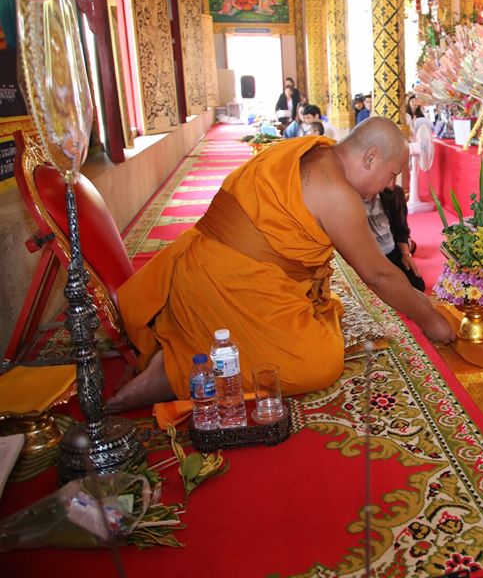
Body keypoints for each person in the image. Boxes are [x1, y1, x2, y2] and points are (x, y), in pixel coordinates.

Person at [108, 117, 455, 412]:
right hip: (227, 281)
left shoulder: (309, 149)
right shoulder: (337, 192)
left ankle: (184, 330)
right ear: (370, 158)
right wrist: (430, 320)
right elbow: (378, 275)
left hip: (198, 266)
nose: (390, 186)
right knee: (319, 363)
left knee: (324, 312)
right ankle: (174, 371)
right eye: (391, 174)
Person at [365, 184, 424, 291]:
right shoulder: (352, 199)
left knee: (418, 286)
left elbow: (400, 227)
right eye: (390, 175)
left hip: (392, 252)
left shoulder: (389, 194)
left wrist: (405, 254)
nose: (392, 182)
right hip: (370, 258)